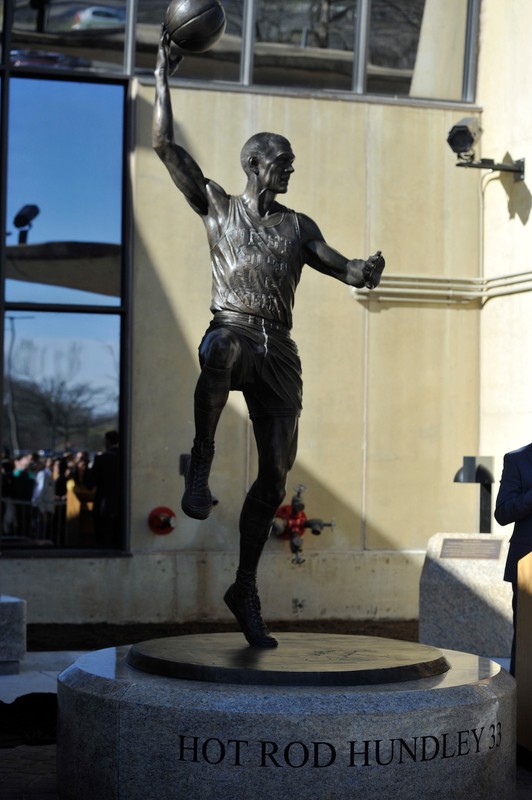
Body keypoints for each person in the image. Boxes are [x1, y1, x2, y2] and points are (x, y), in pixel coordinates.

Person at [153, 30, 385, 648]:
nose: (289, 169)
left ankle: (244, 586)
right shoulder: (215, 206)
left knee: (277, 476)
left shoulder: (297, 224)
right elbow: (162, 144)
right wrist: (162, 73)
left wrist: (363, 270)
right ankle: (201, 461)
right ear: (254, 163)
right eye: (281, 161)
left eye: (289, 163)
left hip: (278, 349)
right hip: (232, 331)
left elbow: (340, 266)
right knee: (220, 347)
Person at [494, 443, 532, 675]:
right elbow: (503, 513)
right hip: (528, 567)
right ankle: (522, 705)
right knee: (527, 639)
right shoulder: (518, 459)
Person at [86, 431, 120, 547]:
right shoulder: (127, 458)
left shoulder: (101, 459)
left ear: (108, 441)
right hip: (122, 506)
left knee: (103, 539)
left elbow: (90, 484)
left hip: (104, 505)